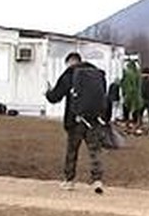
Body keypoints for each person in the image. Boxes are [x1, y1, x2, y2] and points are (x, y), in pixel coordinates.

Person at [44, 52, 108, 193]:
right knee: (95, 151)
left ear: (69, 62)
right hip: (93, 119)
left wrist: (48, 93)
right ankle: (97, 180)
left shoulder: (70, 73)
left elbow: (56, 96)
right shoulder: (96, 74)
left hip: (75, 120)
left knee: (72, 151)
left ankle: (69, 180)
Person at [120, 61, 142, 133]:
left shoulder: (127, 73)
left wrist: (124, 94)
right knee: (136, 113)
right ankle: (136, 128)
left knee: (126, 112)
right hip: (137, 97)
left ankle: (127, 128)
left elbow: (124, 85)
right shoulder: (138, 74)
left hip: (129, 96)